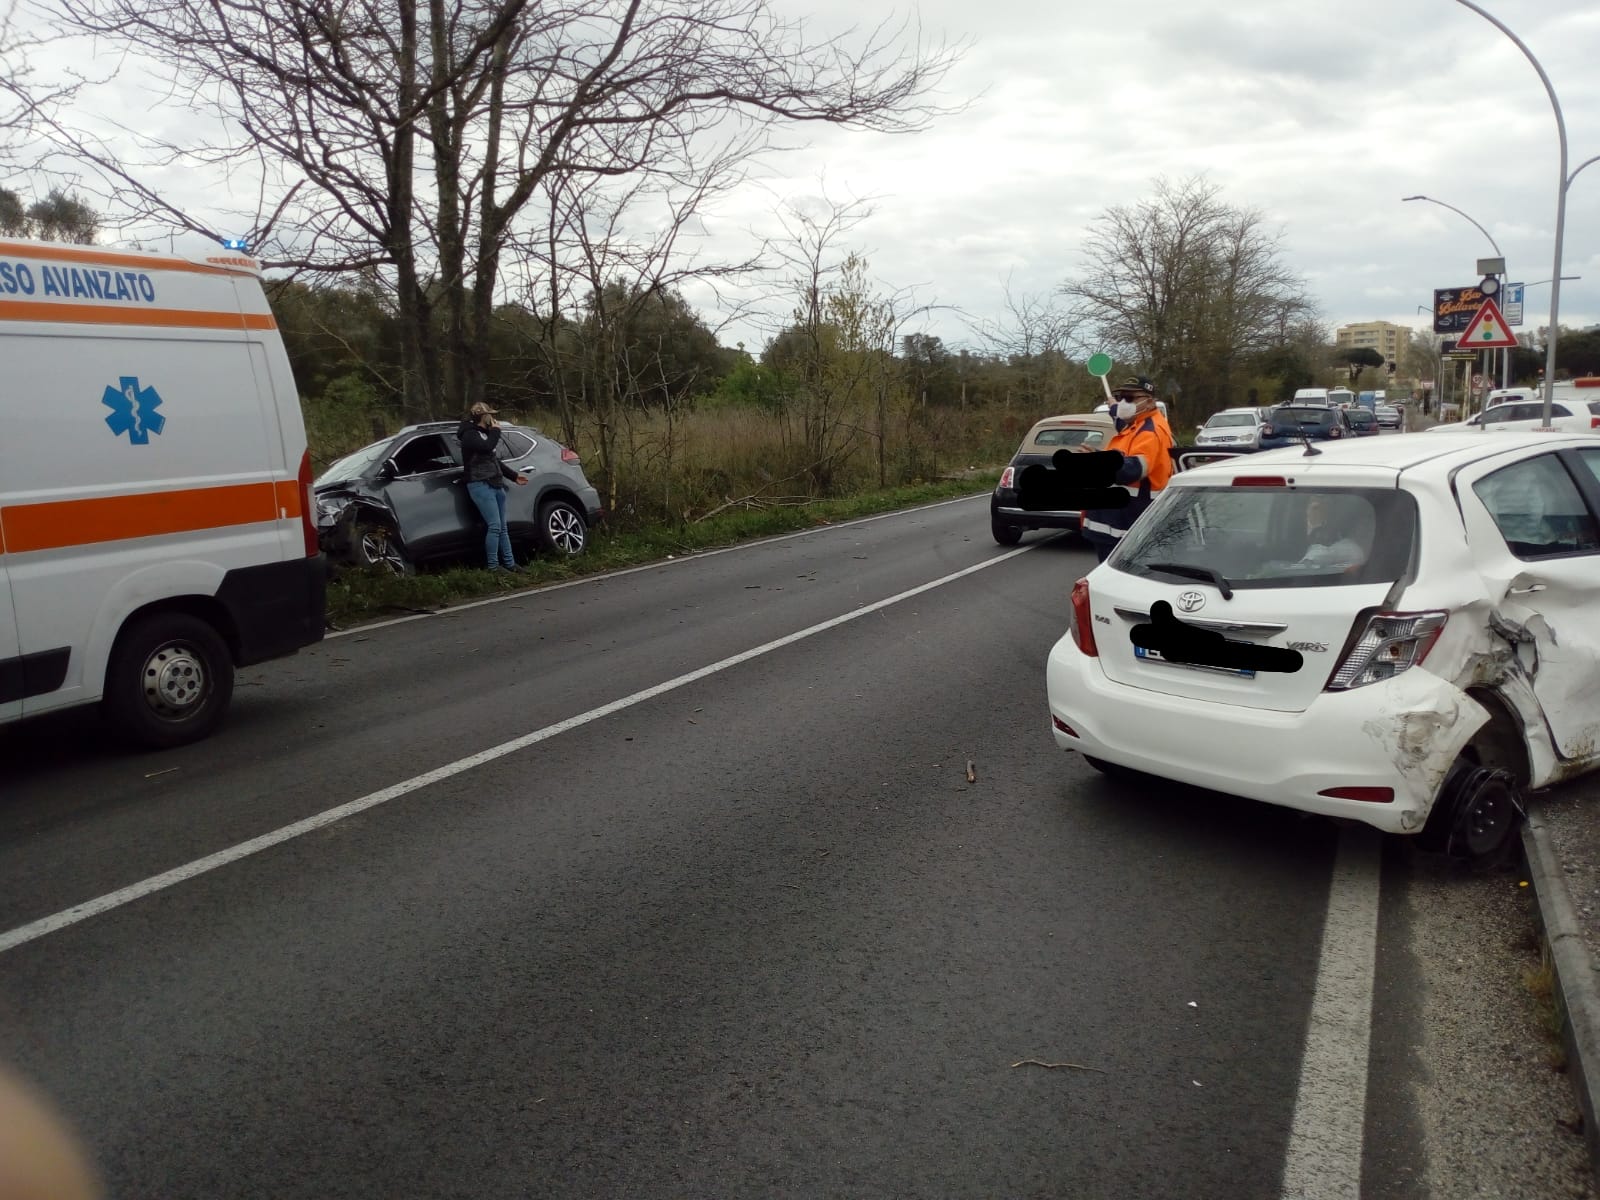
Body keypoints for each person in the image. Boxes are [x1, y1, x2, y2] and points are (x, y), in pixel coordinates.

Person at [1081, 376, 1176, 563]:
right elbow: (1121, 419)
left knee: (1115, 584)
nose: (1124, 402)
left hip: (1125, 527)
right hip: (1116, 525)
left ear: (1149, 402)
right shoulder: (1137, 423)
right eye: (1121, 397)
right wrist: (1113, 407)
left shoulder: (1149, 431)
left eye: (1130, 398)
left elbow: (1132, 470)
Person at [457, 401, 529, 572]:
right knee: (495, 526)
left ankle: (510, 564)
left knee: (503, 527)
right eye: (490, 415)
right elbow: (486, 447)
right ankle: (493, 566)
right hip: (479, 484)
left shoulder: (484, 434)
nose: (493, 418)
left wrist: (513, 476)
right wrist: (496, 431)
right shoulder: (470, 435)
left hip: (495, 482)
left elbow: (493, 459)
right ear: (483, 416)